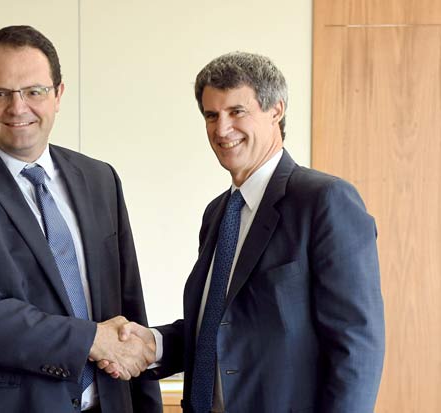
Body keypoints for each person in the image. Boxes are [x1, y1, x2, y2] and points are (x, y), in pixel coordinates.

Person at [106, 52, 385, 412]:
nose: (222, 129)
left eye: (237, 111)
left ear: (276, 111)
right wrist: (154, 344)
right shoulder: (218, 213)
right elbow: (221, 328)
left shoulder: (324, 200)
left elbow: (358, 345)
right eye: (211, 115)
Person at [0, 25, 162, 413]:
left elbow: (128, 302)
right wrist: (90, 339)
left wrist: (145, 402)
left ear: (58, 94)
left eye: (34, 91)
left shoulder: (99, 179)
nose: (18, 107)